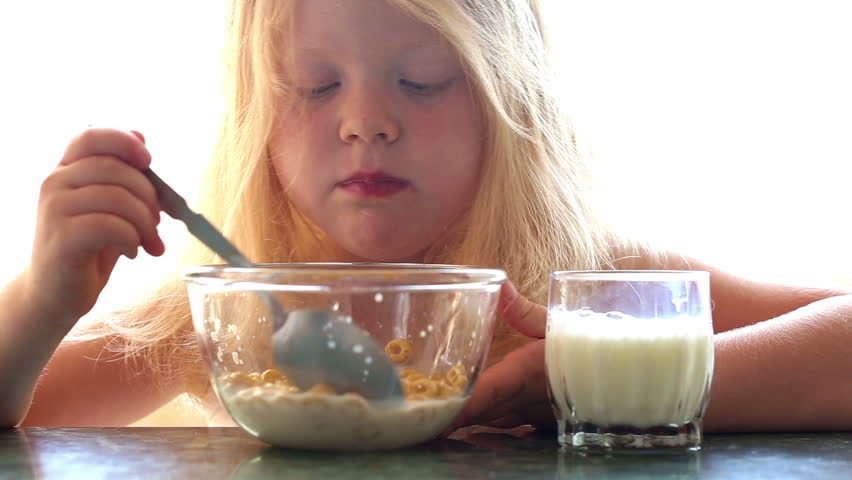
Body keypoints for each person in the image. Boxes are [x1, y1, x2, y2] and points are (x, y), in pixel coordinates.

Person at [1, 0, 851, 432]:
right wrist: (43, 299)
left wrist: (604, 382)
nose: (366, 121)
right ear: (257, 115)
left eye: (420, 80)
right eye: (317, 85)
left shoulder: (581, 283)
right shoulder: (224, 313)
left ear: (506, 102)